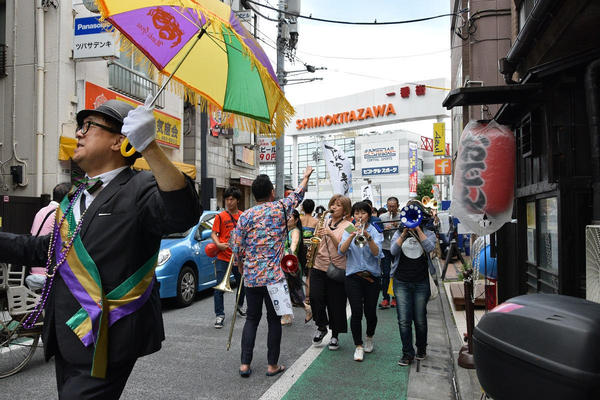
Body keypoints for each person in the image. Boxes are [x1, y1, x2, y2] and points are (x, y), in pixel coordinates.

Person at [0, 98, 200, 399]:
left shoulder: (140, 186)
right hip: (66, 333)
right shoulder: (75, 194)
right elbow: (46, 249)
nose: (79, 133)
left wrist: (150, 147)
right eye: (80, 127)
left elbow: (183, 214)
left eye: (88, 126)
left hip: (108, 335)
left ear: (119, 141)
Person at [231, 166, 313, 378]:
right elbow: (298, 195)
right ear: (271, 193)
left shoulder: (245, 216)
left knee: (251, 319)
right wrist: (305, 177)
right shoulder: (279, 208)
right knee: (274, 320)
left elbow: (237, 246)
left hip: (251, 277)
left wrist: (240, 265)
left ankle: (244, 364)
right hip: (275, 278)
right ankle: (271, 365)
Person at [390, 200, 436, 366]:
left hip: (421, 281)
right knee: (403, 320)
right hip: (401, 281)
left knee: (420, 319)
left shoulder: (428, 232)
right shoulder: (399, 232)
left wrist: (417, 229)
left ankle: (421, 348)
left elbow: (430, 248)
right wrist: (403, 234)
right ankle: (407, 353)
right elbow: (393, 251)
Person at [338, 201, 383, 362]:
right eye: (356, 213)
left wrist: (369, 237)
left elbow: (377, 253)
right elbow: (341, 251)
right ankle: (358, 346)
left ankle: (369, 337)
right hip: (353, 277)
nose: (359, 216)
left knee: (370, 312)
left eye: (363, 213)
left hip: (372, 277)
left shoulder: (375, 231)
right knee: (356, 312)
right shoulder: (348, 229)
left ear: (368, 215)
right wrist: (351, 235)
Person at [309, 194, 352, 350]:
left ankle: (335, 335)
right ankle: (321, 326)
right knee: (315, 297)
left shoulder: (349, 226)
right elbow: (316, 241)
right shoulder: (323, 221)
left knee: (336, 304)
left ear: (346, 210)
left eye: (338, 205)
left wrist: (330, 233)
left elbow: (345, 249)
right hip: (318, 266)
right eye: (333, 203)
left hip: (337, 269)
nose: (333, 207)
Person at [211, 186, 245, 329]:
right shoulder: (220, 216)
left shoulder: (243, 216)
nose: (229, 202)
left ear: (237, 200)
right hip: (223, 257)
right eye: (227, 199)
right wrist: (218, 244)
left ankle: (239, 305)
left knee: (242, 285)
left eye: (231, 199)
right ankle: (220, 315)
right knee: (219, 288)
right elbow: (213, 233)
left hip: (239, 258)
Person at [26, 182, 71, 291]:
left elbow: (33, 235)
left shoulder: (41, 211)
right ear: (67, 198)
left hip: (34, 269)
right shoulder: (62, 214)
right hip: (49, 273)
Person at [281, 209, 308, 326]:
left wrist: (289, 253)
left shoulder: (295, 231)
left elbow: (294, 244)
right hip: (284, 265)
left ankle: (305, 310)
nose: (287, 219)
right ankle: (288, 315)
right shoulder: (285, 231)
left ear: (296, 220)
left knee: (292, 292)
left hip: (291, 266)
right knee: (289, 292)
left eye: (290, 217)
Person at [378, 196, 400, 309]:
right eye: (389, 206)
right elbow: (378, 231)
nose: (391, 208)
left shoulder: (401, 217)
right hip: (385, 247)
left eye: (394, 206)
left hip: (397, 247)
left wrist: (398, 226)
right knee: (385, 274)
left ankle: (396, 298)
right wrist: (384, 229)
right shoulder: (382, 217)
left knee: (396, 273)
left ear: (398, 206)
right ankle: (385, 298)